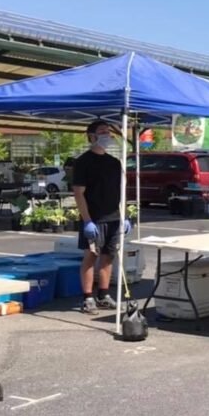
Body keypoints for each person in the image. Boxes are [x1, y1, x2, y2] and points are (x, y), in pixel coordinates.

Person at [73, 120, 131, 314]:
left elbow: (120, 192)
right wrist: (87, 220)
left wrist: (125, 215)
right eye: (102, 132)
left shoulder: (114, 163)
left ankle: (104, 294)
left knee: (109, 256)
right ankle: (87, 297)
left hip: (114, 217)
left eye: (108, 132)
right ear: (91, 136)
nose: (106, 135)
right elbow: (79, 193)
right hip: (94, 218)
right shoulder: (83, 162)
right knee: (91, 256)